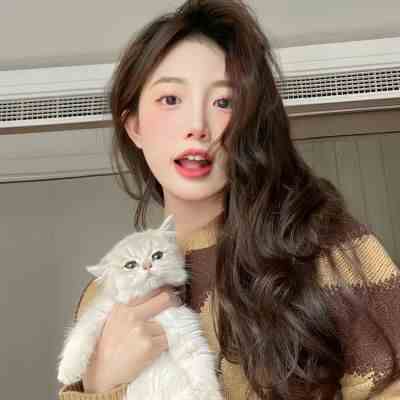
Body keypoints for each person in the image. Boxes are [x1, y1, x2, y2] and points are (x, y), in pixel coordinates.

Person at [58, 0, 400, 399]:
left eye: (224, 102)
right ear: (134, 125)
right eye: (171, 99)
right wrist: (100, 383)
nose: (197, 127)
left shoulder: (325, 247)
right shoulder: (104, 295)